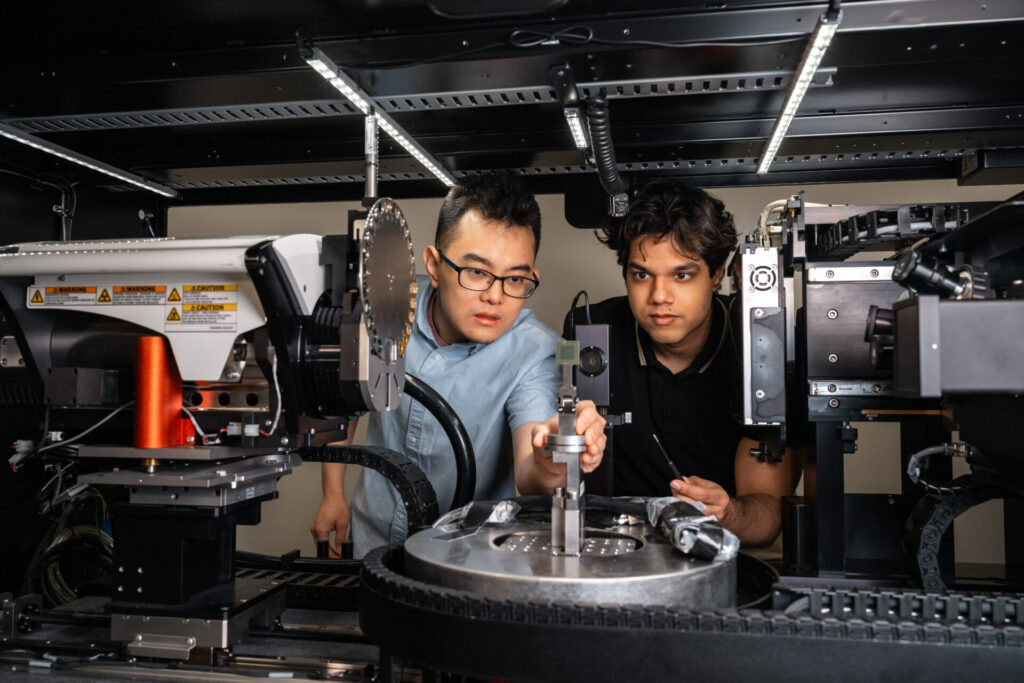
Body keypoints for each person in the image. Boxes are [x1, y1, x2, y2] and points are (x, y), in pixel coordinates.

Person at [312, 173, 606, 558]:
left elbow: (529, 472)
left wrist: (553, 454)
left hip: (469, 564)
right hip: (372, 548)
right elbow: (348, 397)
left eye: (515, 279)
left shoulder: (536, 352)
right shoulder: (387, 307)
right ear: (434, 265)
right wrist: (333, 493)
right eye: (477, 272)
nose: (495, 297)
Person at [565, 179, 794, 546]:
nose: (659, 297)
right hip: (608, 550)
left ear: (716, 274)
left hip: (712, 557)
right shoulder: (592, 331)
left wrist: (728, 512)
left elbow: (766, 517)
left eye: (682, 275)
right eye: (642, 275)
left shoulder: (758, 347)